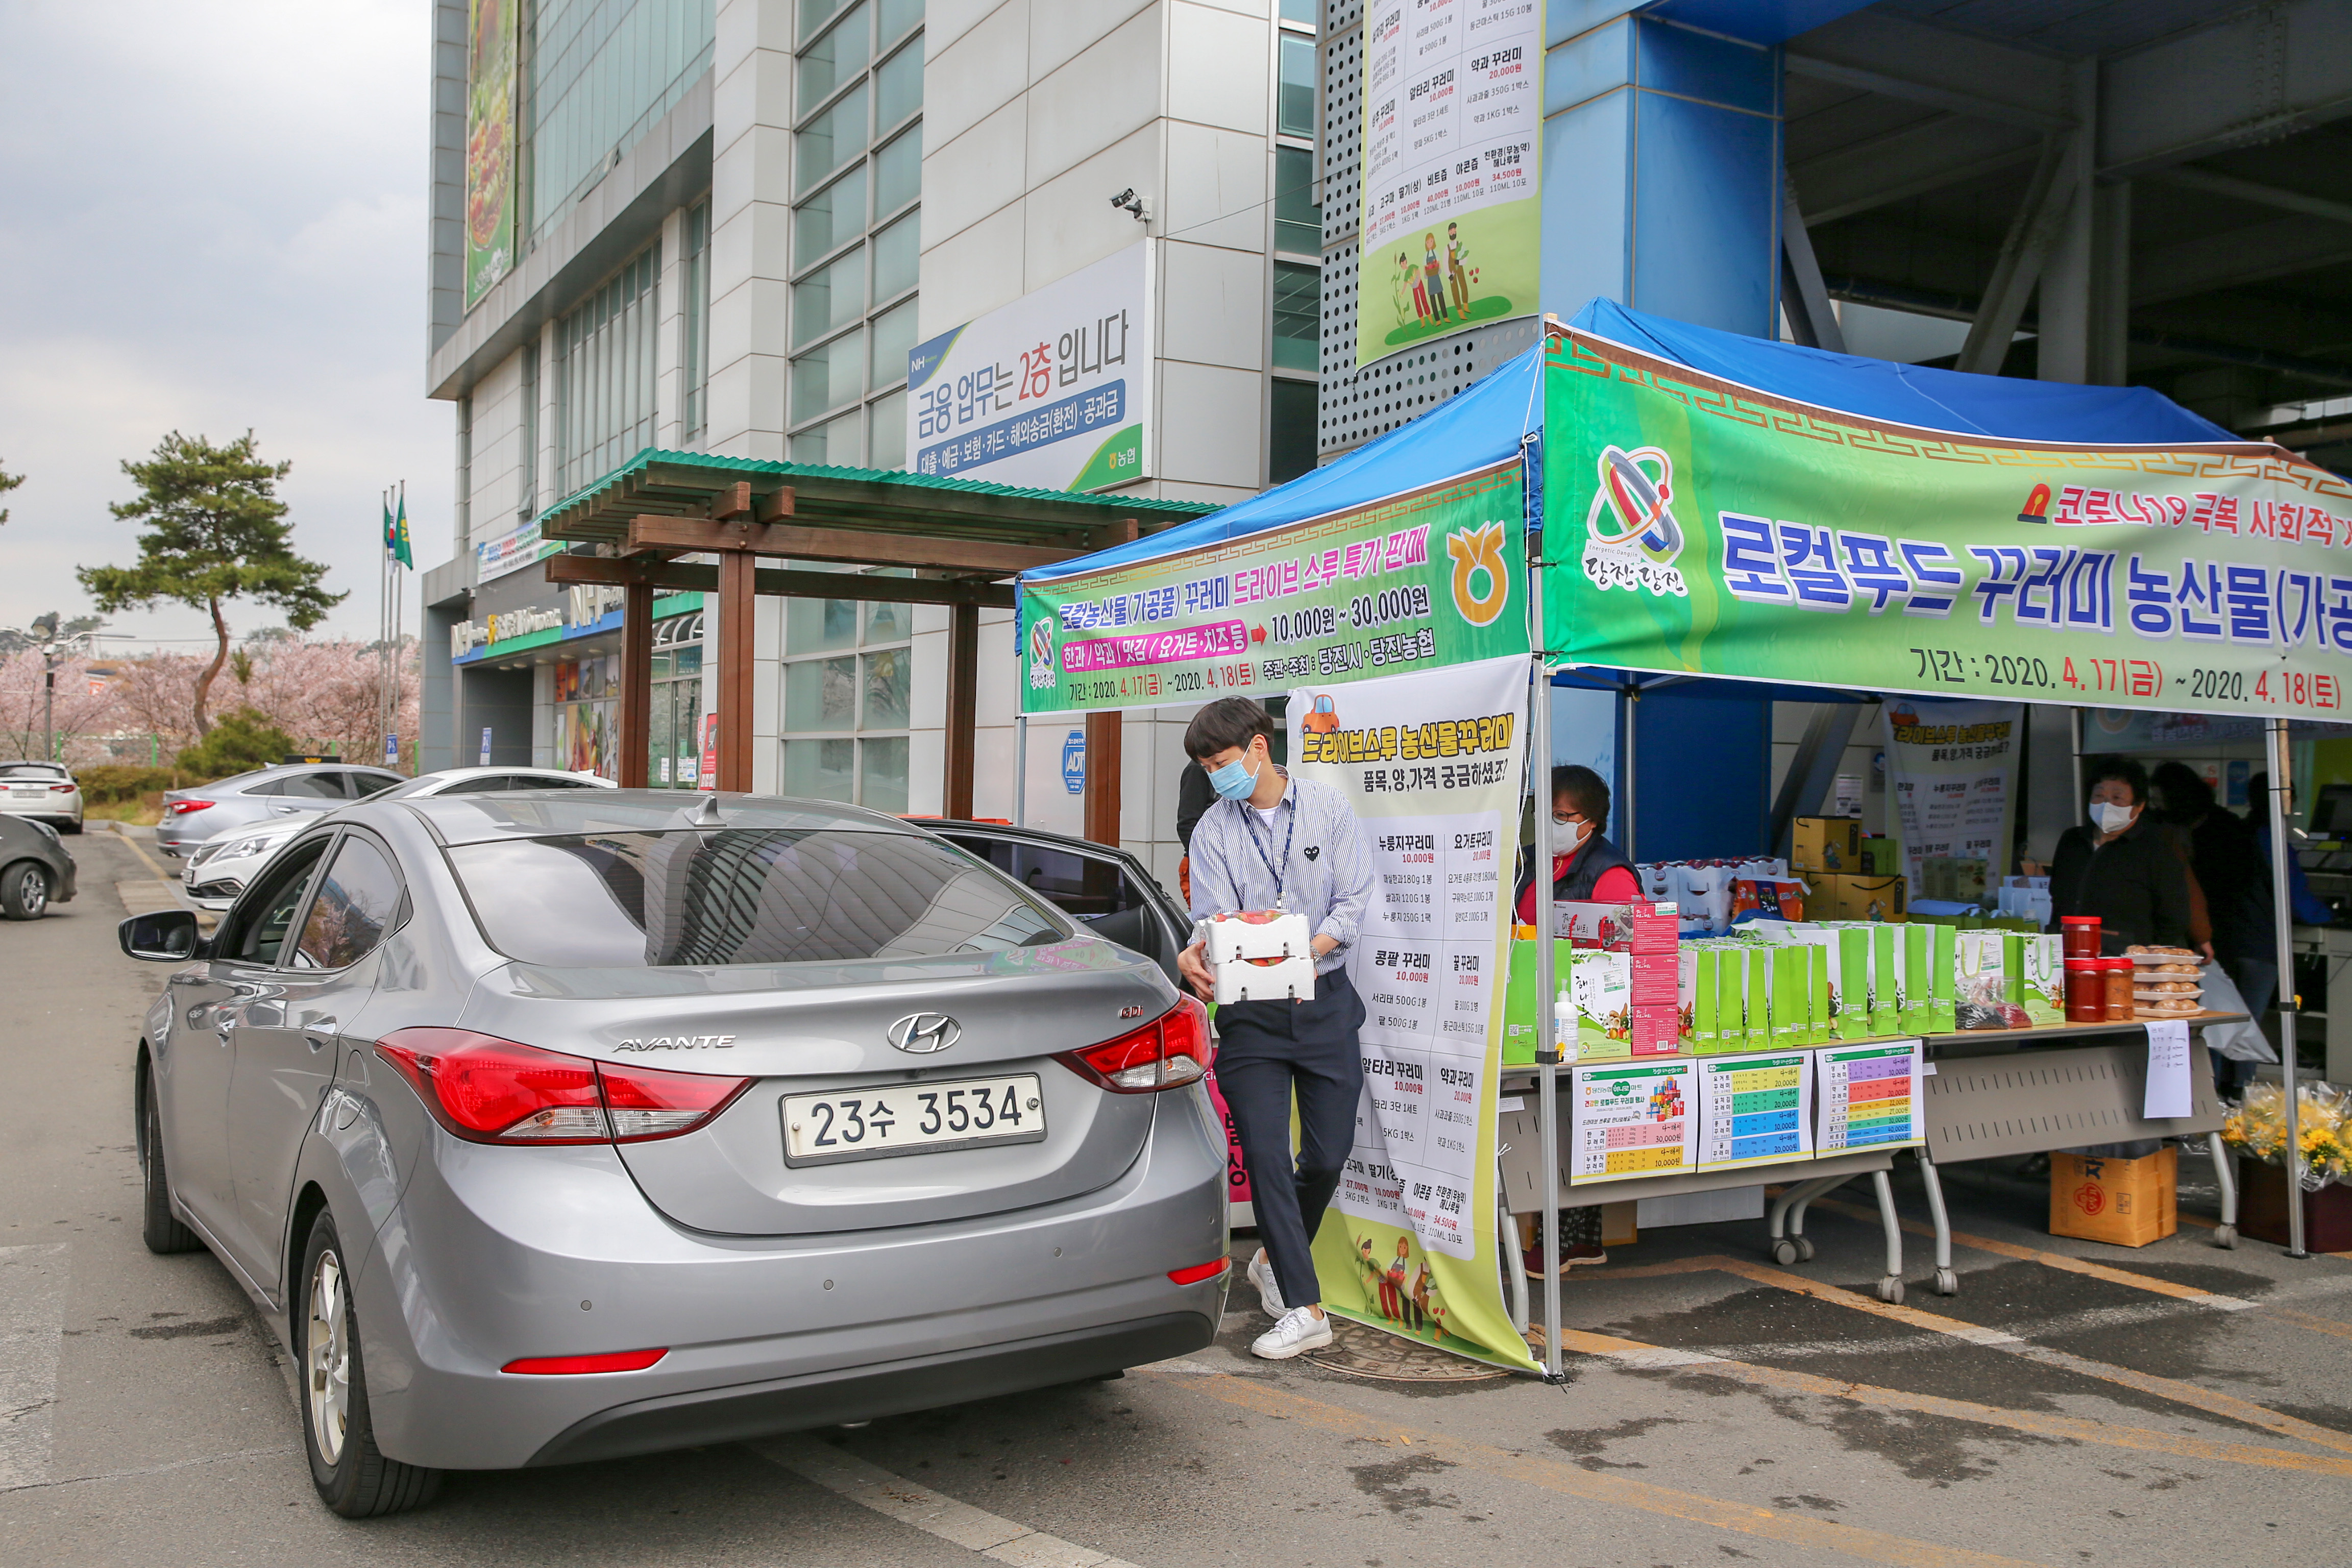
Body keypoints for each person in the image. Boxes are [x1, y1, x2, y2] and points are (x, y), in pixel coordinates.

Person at [1176, 697, 1374, 1361]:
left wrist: (1306, 949)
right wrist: (1201, 948)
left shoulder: (1328, 811)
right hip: (1251, 1014)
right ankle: (1304, 1305)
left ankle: (1269, 1263)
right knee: (1264, 1154)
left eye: (1222, 762)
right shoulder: (1213, 830)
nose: (1216, 776)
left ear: (1259, 748)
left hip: (1324, 1003)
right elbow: (1213, 915)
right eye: (1207, 768)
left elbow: (1353, 900)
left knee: (1325, 1157)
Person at [2048, 757, 2194, 952]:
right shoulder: (2072, 841)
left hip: (2124, 961)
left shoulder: (2154, 850)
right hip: (2066, 953)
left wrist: (2150, 957)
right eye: (2099, 795)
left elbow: (2175, 917)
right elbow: (2057, 896)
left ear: (2139, 806)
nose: (2106, 804)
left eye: (2117, 798)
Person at [1513, 764, 1640, 924]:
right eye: (1542, 813)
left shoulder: (1611, 873)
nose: (1549, 823)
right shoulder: (1531, 861)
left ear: (1592, 819)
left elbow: (1627, 937)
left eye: (1561, 815)